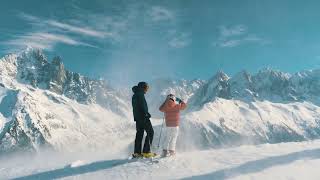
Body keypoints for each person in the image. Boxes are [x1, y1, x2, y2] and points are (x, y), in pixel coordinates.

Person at [131, 82, 155, 158]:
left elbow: (136, 108)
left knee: (139, 134)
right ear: (143, 87)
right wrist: (146, 113)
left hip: (137, 119)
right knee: (150, 132)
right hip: (143, 117)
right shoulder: (140, 94)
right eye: (147, 88)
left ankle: (137, 153)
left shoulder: (135, 95)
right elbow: (142, 106)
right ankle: (146, 152)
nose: (147, 90)